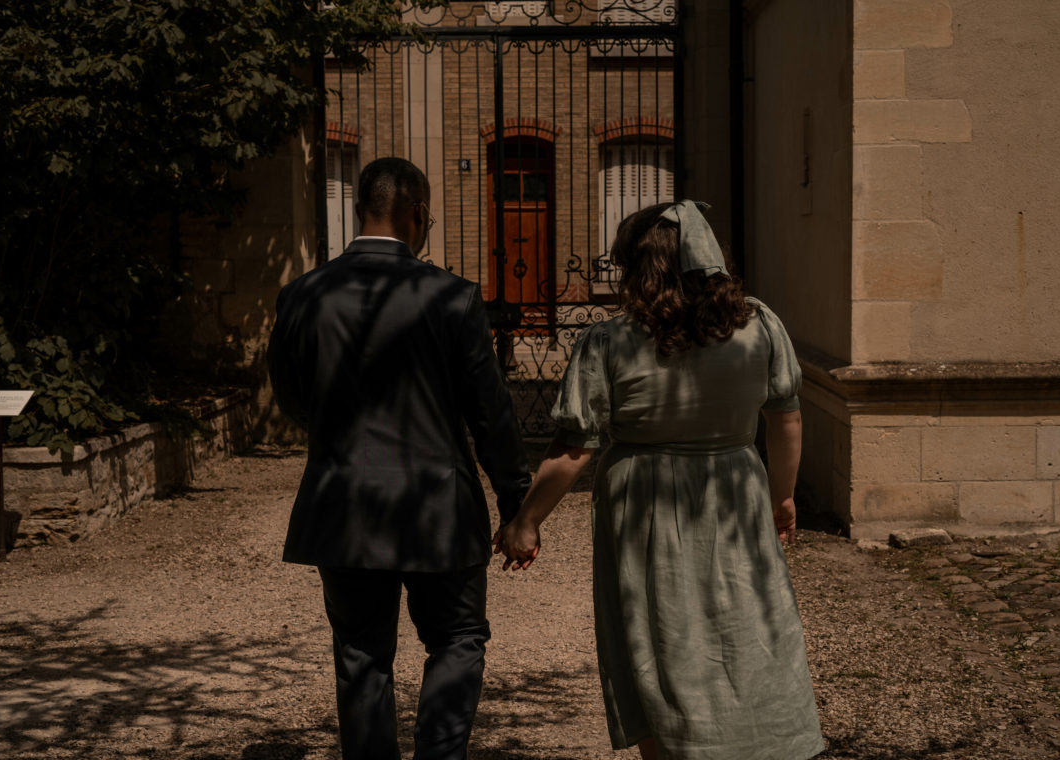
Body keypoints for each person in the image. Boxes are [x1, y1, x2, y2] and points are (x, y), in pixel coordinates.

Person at [498, 201, 824, 760]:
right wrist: (782, 497)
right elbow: (786, 417)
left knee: (658, 633)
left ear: (636, 268)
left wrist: (526, 522)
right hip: (738, 489)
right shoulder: (759, 325)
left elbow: (576, 450)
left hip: (646, 500)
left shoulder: (609, 342)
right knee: (745, 625)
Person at [267, 157, 531, 760]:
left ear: (362, 210)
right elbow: (490, 414)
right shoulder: (453, 298)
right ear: (418, 214)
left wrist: (338, 436)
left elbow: (291, 396)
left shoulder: (301, 295)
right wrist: (516, 501)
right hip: (439, 507)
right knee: (458, 637)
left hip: (345, 503)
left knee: (361, 654)